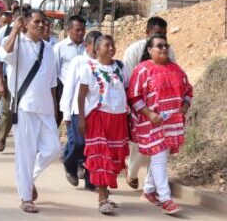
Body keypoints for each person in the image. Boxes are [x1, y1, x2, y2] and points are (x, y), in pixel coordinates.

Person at [0, 9, 60, 214]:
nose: (41, 25)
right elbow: (4, 55)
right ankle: (25, 197)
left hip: (46, 109)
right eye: (36, 22)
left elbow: (52, 82)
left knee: (53, 149)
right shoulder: (15, 41)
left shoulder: (49, 48)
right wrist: (14, 32)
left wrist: (55, 108)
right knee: (25, 154)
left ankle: (28, 179)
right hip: (24, 107)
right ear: (25, 23)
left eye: (43, 22)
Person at [128, 34, 192, 215]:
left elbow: (188, 89)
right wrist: (149, 113)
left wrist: (186, 104)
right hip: (151, 123)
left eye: (166, 46)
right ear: (149, 50)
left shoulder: (177, 70)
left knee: (160, 158)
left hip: (172, 123)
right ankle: (165, 198)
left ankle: (149, 190)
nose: (164, 49)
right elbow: (134, 96)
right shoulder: (142, 70)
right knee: (159, 159)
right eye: (159, 46)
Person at [76, 35, 129, 215]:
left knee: (113, 157)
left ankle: (104, 192)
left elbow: (126, 90)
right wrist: (81, 119)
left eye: (113, 45)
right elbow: (82, 95)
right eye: (107, 45)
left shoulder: (120, 67)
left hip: (118, 118)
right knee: (100, 157)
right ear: (97, 49)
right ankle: (102, 199)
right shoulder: (89, 68)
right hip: (98, 117)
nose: (111, 48)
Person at [122, 16, 176, 189]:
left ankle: (152, 185)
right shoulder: (134, 50)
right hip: (138, 102)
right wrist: (136, 107)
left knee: (161, 142)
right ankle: (132, 173)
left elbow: (172, 75)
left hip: (161, 104)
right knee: (139, 142)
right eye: (157, 33)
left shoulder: (169, 51)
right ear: (147, 33)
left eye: (164, 34)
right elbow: (128, 82)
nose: (162, 37)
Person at [60, 30, 101, 190]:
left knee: (93, 147)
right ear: (88, 45)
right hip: (78, 110)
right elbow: (69, 87)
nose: (98, 49)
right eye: (95, 46)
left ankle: (91, 181)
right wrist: (66, 113)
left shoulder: (103, 63)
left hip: (97, 113)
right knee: (79, 143)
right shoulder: (78, 61)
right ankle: (69, 162)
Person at [54, 16, 87, 128]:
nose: (81, 33)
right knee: (57, 118)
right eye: (77, 30)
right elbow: (55, 71)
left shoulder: (88, 47)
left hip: (83, 89)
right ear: (69, 30)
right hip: (63, 88)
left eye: (83, 29)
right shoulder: (60, 47)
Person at [0, 11, 13, 151]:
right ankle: (2, 136)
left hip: (29, 84)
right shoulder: (6, 33)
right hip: (8, 79)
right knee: (7, 111)